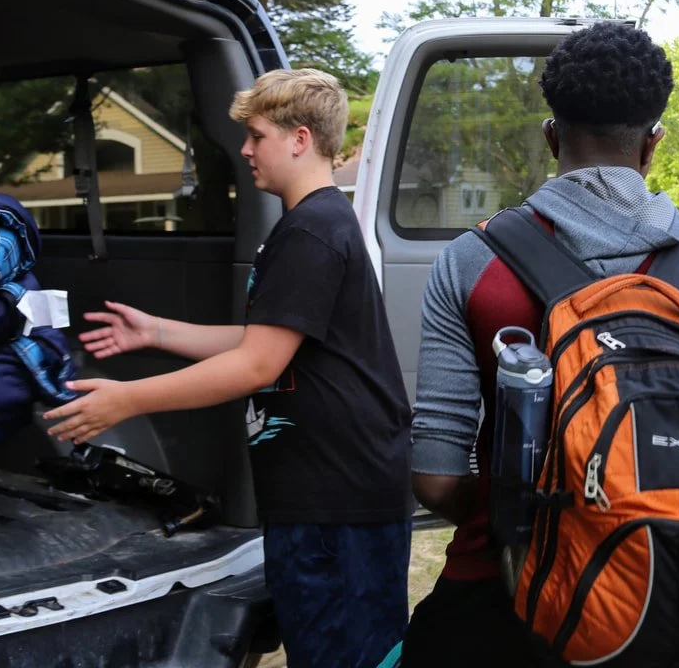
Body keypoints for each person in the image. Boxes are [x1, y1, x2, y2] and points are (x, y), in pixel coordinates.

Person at [401, 22, 679, 667]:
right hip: (672, 596)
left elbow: (437, 480)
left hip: (504, 590)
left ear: (551, 135)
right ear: (653, 144)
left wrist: (546, 510)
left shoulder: (473, 262)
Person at [44, 69, 414, 668]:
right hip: (325, 499)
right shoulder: (308, 225)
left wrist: (127, 400)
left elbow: (256, 365)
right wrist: (158, 332)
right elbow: (265, 338)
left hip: (340, 502)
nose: (244, 149)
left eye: (257, 135)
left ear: (299, 138)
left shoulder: (314, 231)